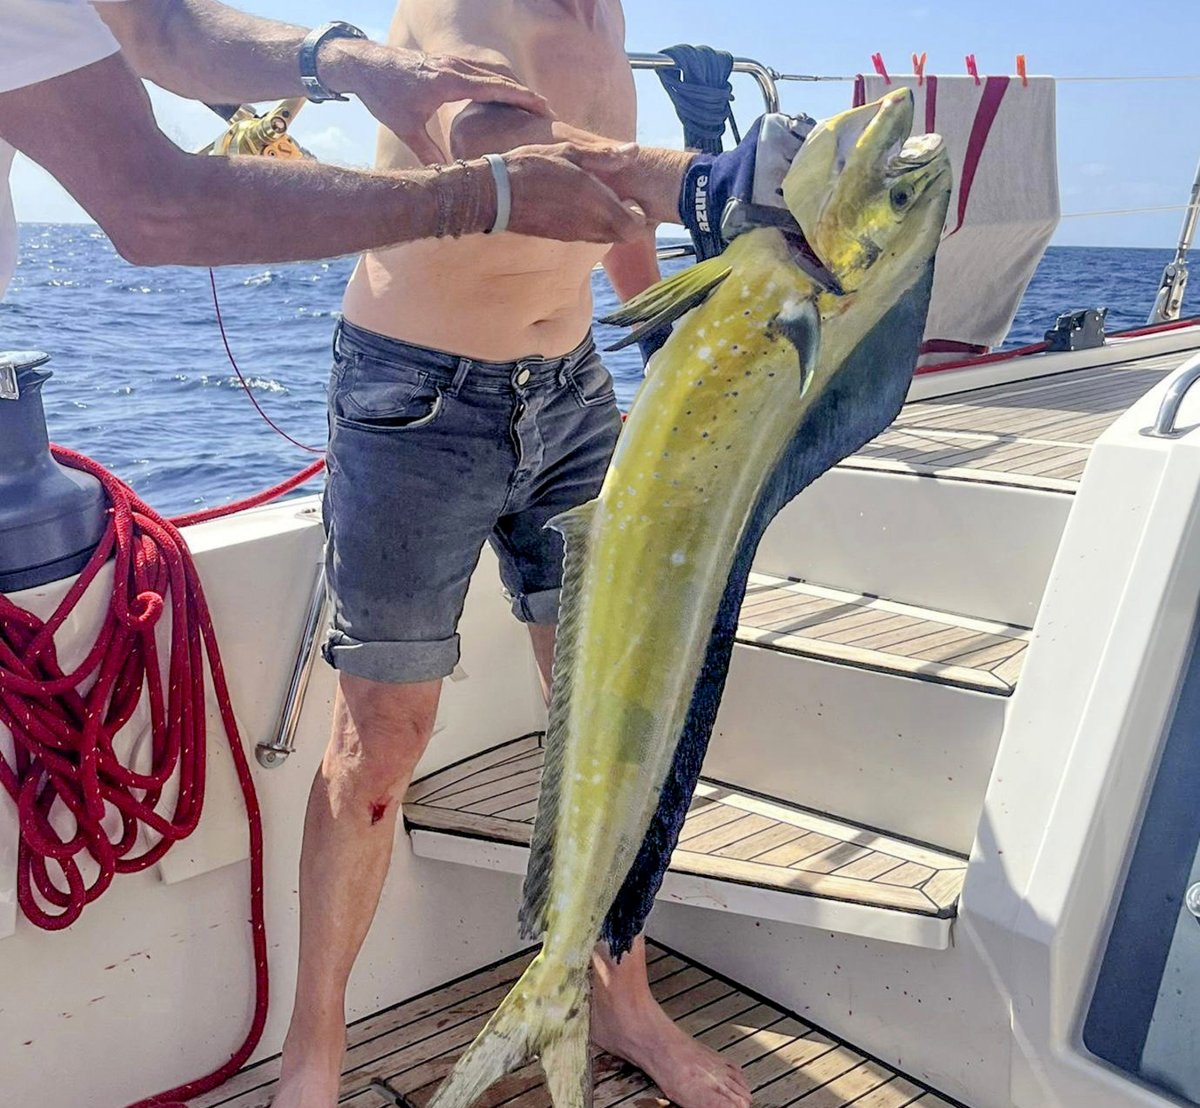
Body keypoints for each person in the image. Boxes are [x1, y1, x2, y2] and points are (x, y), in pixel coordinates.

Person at [284, 4, 816, 1108]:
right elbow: (487, 139)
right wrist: (705, 177)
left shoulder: (602, 12)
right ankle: (313, 1053)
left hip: (572, 393)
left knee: (609, 715)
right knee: (381, 742)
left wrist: (662, 335)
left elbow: (605, 208)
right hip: (416, 401)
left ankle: (618, 993)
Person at [0, 0, 654, 307]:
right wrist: (475, 196)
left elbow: (160, 26)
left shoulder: (607, 18)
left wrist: (345, 60)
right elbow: (154, 207)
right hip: (429, 391)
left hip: (573, 376)